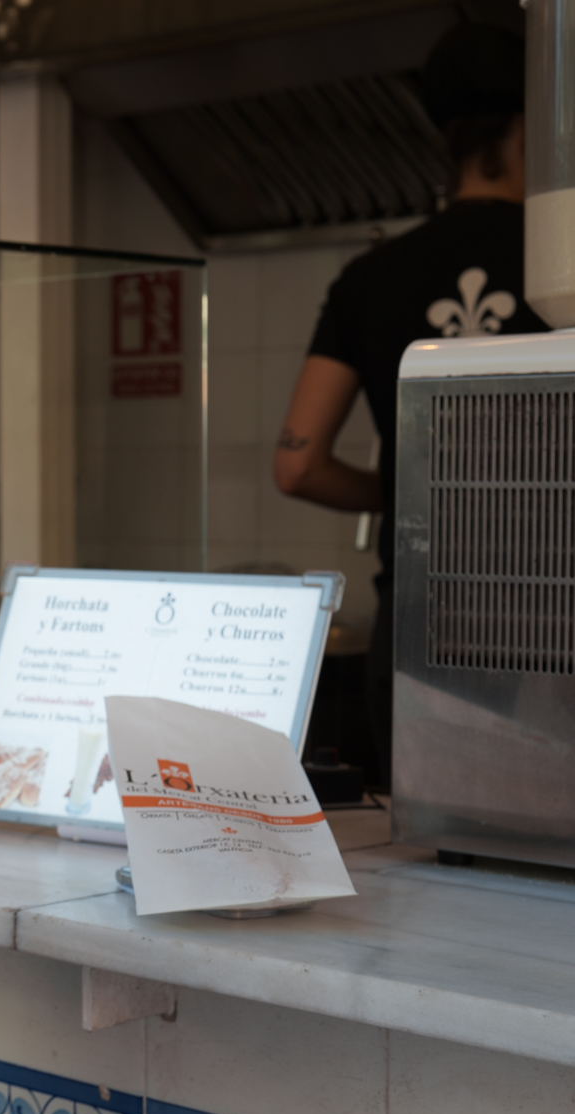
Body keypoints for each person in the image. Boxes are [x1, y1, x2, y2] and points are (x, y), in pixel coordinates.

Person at [273, 23, 546, 789]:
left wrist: (401, 489)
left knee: (435, 862)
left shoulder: (372, 277)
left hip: (421, 626)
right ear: (534, 126)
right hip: (553, 627)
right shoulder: (560, 262)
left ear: (444, 136)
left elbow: (296, 466)